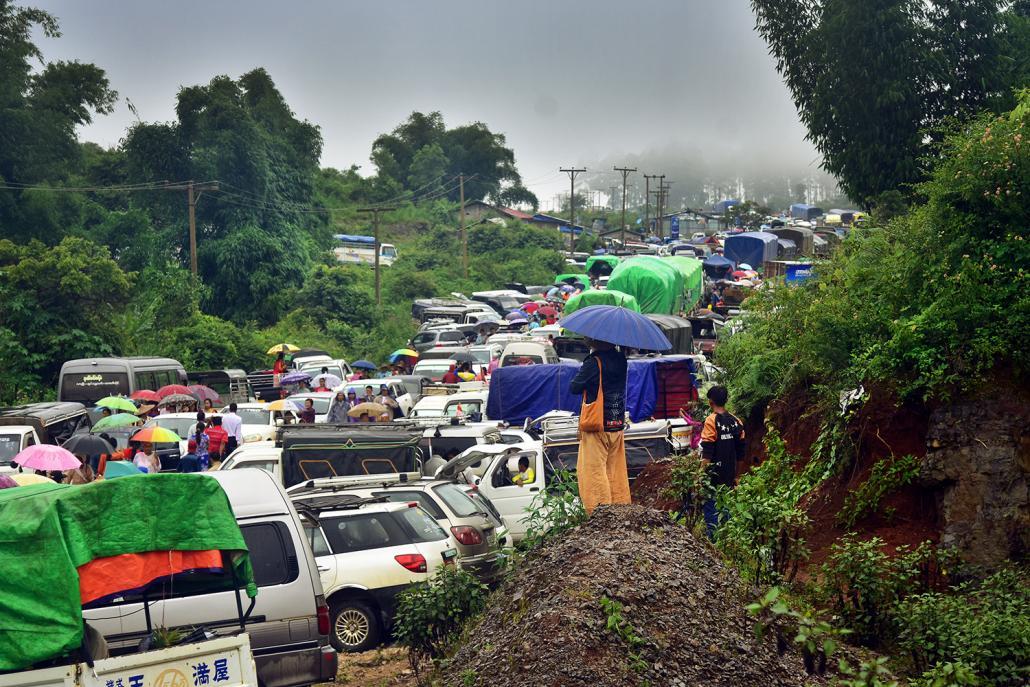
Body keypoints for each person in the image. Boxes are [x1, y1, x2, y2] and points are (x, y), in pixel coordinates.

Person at [568, 337, 630, 515]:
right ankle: (621, 509)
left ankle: (601, 514)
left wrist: (589, 361)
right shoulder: (621, 359)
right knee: (615, 470)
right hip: (616, 422)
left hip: (597, 424)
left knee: (593, 472)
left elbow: (575, 387)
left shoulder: (593, 363)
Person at [699, 385, 746, 539]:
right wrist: (737, 476)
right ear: (726, 401)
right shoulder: (736, 422)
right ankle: (728, 543)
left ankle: (713, 545)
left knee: (712, 512)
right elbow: (741, 454)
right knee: (727, 511)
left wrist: (700, 476)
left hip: (713, 477)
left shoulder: (711, 421)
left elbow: (707, 453)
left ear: (710, 402)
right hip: (729, 476)